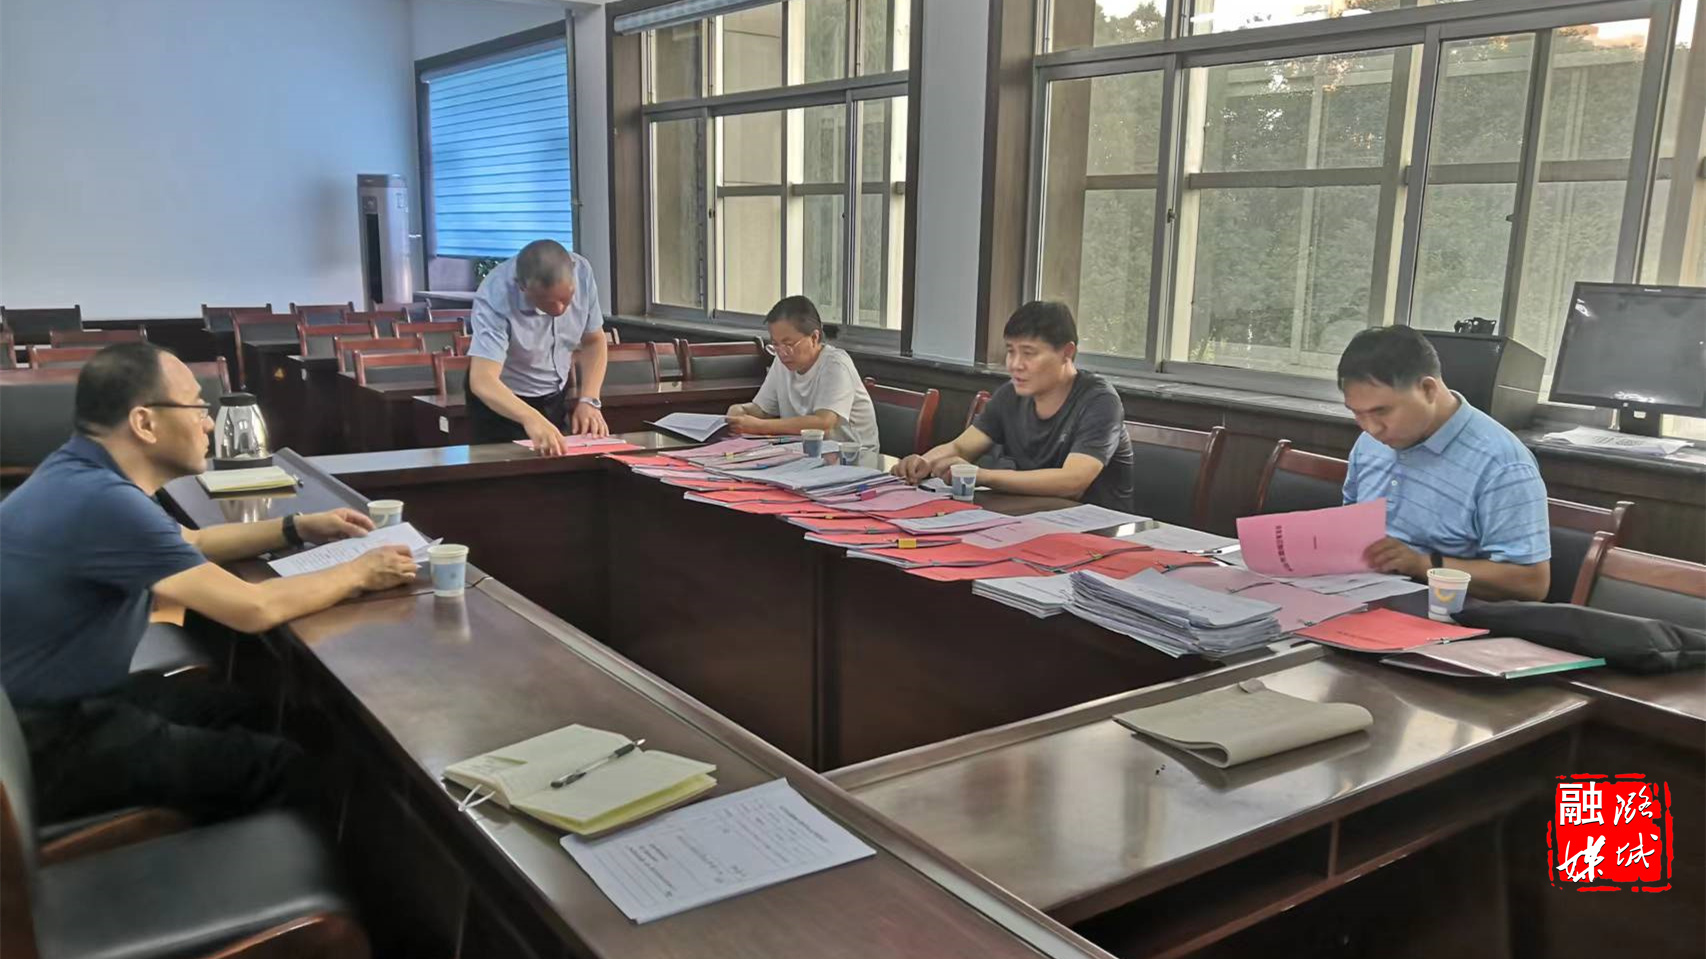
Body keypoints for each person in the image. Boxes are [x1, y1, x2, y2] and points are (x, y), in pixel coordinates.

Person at [0, 343, 418, 824]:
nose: (209, 424)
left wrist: (297, 527)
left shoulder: (77, 472)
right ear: (144, 423)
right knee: (286, 766)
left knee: (250, 708)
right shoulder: (102, 501)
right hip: (47, 741)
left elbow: (192, 541)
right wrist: (360, 571)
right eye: (198, 408)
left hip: (51, 702)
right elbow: (253, 609)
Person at [1338, 325, 1551, 601]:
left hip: (1443, 610)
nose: (1372, 428)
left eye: (1382, 411)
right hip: (1357, 591)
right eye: (1357, 413)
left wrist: (1422, 564)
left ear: (1428, 389)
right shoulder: (1371, 442)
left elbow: (1532, 582)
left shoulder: (1502, 464)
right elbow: (1351, 520)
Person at [891, 301, 1135, 509]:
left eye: (1029, 353)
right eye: (1011, 351)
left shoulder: (1099, 401)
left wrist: (982, 476)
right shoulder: (1011, 394)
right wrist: (924, 463)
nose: (1016, 364)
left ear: (1066, 352)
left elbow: (1073, 481)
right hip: (1031, 519)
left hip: (1100, 533)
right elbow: (961, 447)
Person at [467, 238, 609, 454]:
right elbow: (482, 380)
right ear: (522, 287)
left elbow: (594, 341)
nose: (559, 309)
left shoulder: (582, 272)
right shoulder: (495, 294)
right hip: (502, 403)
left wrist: (589, 400)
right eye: (547, 302)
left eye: (566, 299)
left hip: (554, 395)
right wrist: (530, 418)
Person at [725, 296, 880, 451]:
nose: (782, 353)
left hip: (853, 456)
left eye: (789, 344)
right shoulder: (781, 362)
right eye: (776, 344)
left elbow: (824, 423)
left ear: (814, 337)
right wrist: (741, 410)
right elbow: (763, 410)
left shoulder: (835, 365)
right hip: (805, 453)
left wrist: (760, 426)